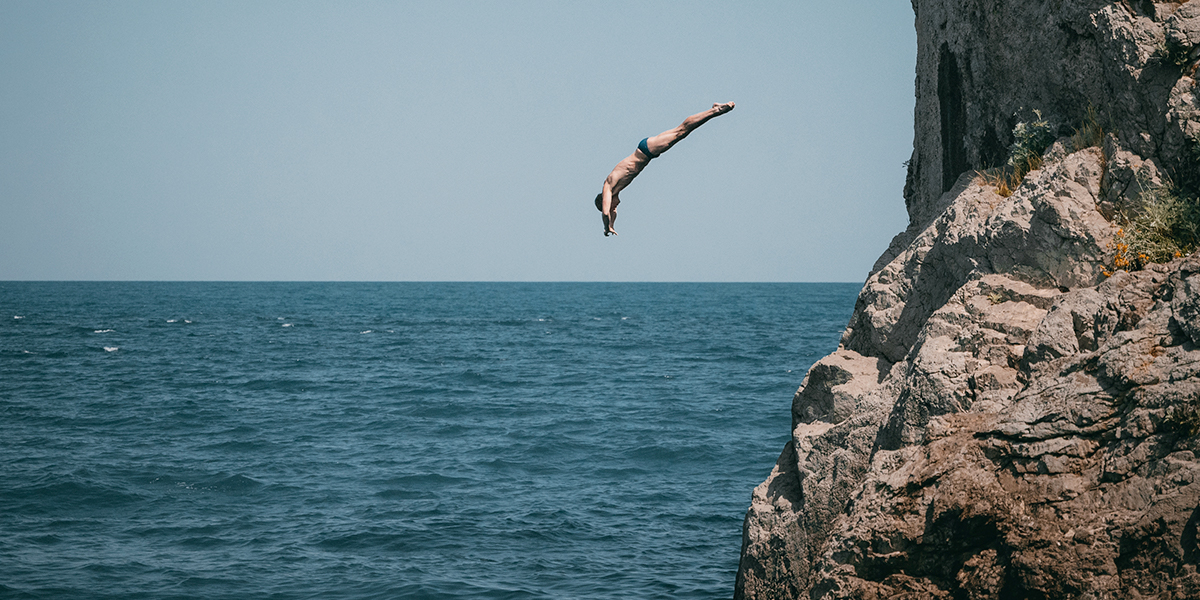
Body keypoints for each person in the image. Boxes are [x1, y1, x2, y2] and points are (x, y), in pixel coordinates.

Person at [595, 102, 735, 236]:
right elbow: (612, 213)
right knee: (681, 132)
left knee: (681, 131)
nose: (615, 207)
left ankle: (715, 110)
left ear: (604, 201)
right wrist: (612, 225)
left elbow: (606, 213)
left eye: (611, 205)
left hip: (646, 150)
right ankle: (713, 111)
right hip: (647, 151)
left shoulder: (608, 187)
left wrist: (606, 227)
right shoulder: (615, 191)